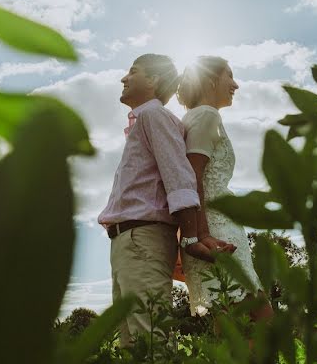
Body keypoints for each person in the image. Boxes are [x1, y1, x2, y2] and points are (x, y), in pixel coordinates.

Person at [98, 53, 233, 346]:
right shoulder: (145, 119)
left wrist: (191, 238)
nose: (124, 78)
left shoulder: (154, 115)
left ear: (153, 80)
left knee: (148, 338)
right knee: (132, 341)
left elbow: (179, 175)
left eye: (132, 72)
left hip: (142, 236)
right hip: (127, 240)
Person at [177, 56, 274, 320]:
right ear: (210, 80)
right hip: (215, 229)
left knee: (231, 320)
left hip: (208, 226)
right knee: (259, 318)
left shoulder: (193, 117)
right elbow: (191, 176)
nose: (235, 84)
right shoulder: (207, 115)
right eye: (229, 76)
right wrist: (202, 234)